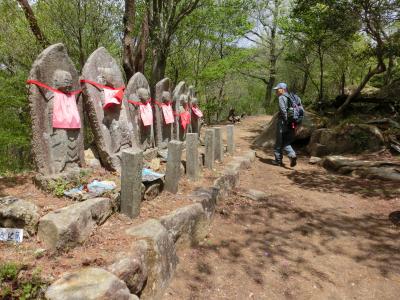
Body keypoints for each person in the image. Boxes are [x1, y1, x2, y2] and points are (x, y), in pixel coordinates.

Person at [272, 82, 298, 167]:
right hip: (292, 123)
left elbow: (283, 110)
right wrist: (291, 122)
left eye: (277, 89)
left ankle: (278, 161)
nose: (276, 91)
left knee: (279, 142)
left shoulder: (281, 97)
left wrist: (286, 120)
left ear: (282, 89)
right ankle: (292, 155)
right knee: (286, 142)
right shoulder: (291, 97)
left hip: (283, 122)